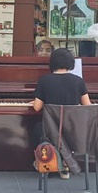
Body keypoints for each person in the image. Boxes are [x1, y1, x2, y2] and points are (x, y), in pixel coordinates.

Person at [30, 48, 90, 179]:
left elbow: (36, 107)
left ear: (52, 63)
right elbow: (88, 107)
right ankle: (65, 165)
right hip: (73, 131)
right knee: (63, 133)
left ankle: (47, 161)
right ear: (71, 64)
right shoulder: (78, 81)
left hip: (50, 131)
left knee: (35, 129)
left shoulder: (44, 80)